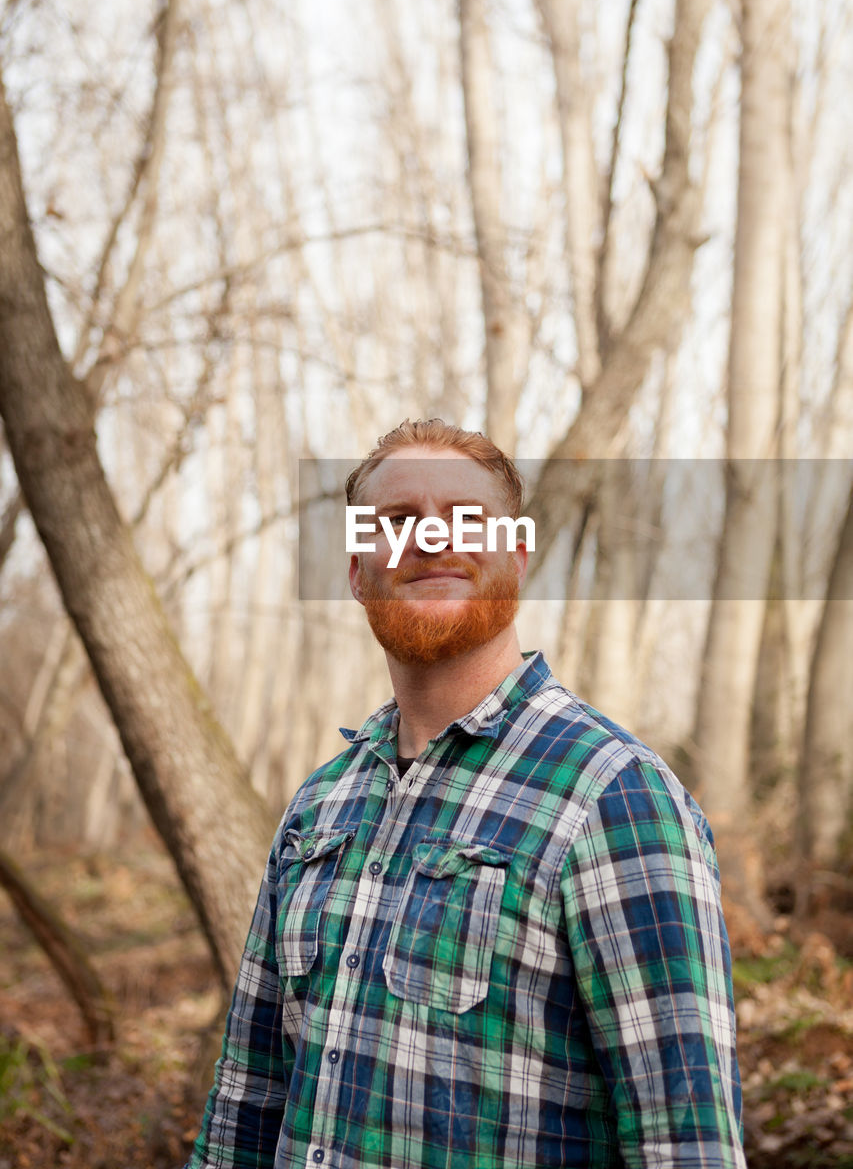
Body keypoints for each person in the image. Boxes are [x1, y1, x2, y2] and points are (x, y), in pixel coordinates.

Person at [184, 419, 746, 1169]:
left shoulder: (614, 796)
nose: (432, 539)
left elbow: (687, 1144)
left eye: (468, 519)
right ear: (357, 569)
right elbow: (247, 1101)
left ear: (517, 555)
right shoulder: (317, 809)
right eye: (397, 521)